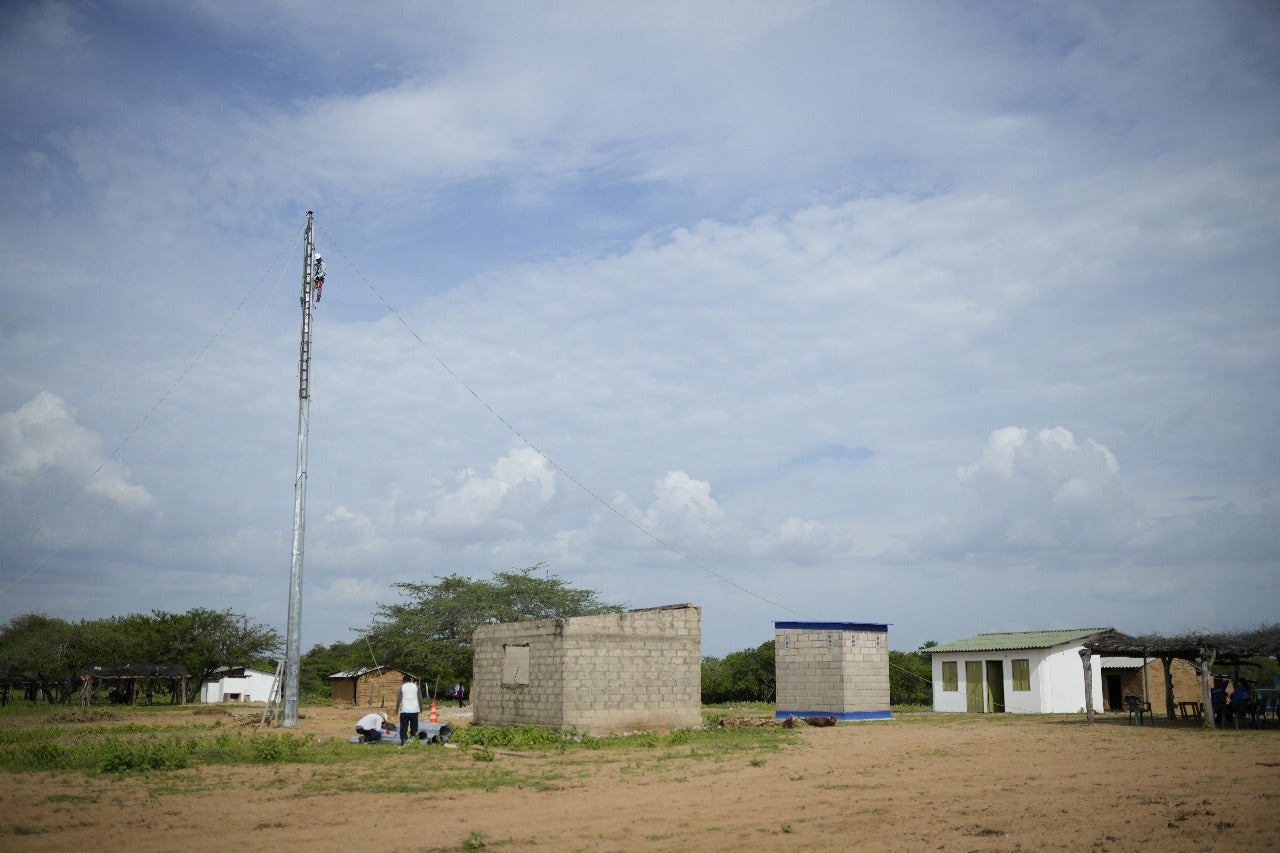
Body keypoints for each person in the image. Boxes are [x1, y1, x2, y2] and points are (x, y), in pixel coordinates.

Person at [396, 674, 420, 744]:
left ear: (403, 681)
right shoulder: (416, 687)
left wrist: (397, 709)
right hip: (414, 711)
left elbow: (398, 699)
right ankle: (414, 741)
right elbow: (420, 698)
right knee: (414, 727)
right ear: (411, 680)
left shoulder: (402, 687)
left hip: (405, 711)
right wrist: (421, 708)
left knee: (404, 727)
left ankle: (404, 741)